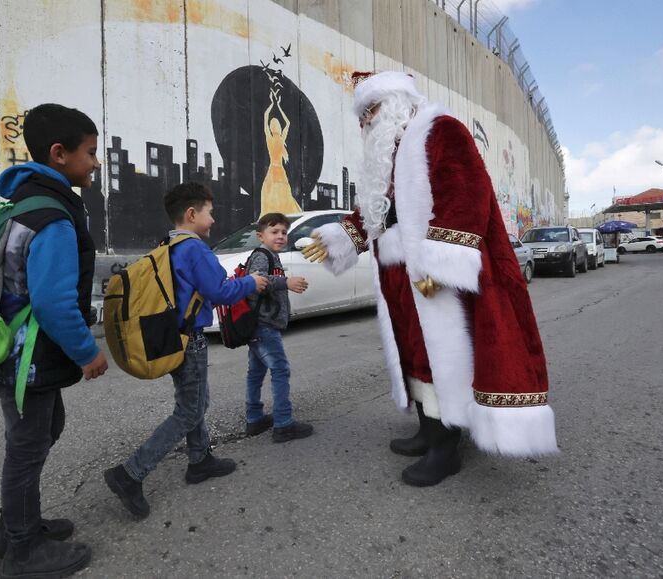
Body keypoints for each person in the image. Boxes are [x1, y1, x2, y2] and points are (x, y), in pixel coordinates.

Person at [302, 71, 557, 487]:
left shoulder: (441, 130)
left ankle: (446, 446)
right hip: (397, 275)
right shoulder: (388, 154)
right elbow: (377, 212)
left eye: (372, 110)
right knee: (413, 353)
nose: (365, 121)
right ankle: (427, 428)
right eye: (362, 115)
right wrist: (340, 238)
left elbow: (466, 194)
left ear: (397, 101)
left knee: (442, 353)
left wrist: (438, 268)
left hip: (430, 272)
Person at [0, 103, 108, 578]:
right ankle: (21, 550)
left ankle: (22, 524)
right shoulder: (52, 215)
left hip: (17, 353)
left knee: (42, 432)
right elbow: (54, 301)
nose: (95, 162)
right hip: (27, 357)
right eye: (90, 152)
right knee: (28, 446)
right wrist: (88, 353)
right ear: (59, 154)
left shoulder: (24, 200)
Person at [103, 182, 268, 518]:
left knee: (192, 401)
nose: (213, 221)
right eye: (210, 213)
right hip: (189, 340)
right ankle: (131, 473)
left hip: (171, 335)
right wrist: (253, 282)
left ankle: (200, 459)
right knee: (191, 408)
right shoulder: (195, 249)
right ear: (192, 214)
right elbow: (219, 291)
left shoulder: (170, 245)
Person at [244, 212, 314, 442]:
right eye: (274, 232)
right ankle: (283, 424)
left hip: (258, 325)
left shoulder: (271, 255)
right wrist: (287, 282)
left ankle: (254, 419)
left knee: (256, 371)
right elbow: (258, 282)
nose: (281, 236)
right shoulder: (262, 256)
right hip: (264, 325)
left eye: (284, 232)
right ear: (260, 235)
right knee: (280, 369)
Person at [261, 89, 302, 215]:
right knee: (284, 199)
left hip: (273, 171)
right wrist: (278, 105)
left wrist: (272, 104)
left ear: (272, 127)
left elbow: (265, 117)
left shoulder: (270, 139)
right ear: (278, 126)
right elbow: (288, 123)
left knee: (271, 199)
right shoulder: (281, 139)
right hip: (280, 171)